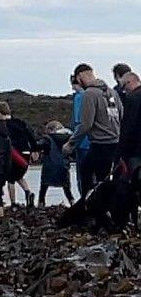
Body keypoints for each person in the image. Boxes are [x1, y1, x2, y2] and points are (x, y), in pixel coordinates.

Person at [63, 64, 123, 196]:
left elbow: (85, 124)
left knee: (89, 179)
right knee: (105, 179)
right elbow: (121, 115)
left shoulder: (89, 94)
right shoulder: (112, 92)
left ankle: (91, 209)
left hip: (100, 144)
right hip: (115, 143)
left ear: (79, 77)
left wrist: (71, 143)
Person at [0, 101, 38, 207]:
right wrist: (35, 150)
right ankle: (28, 192)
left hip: (14, 154)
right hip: (26, 153)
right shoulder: (20, 123)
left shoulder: (2, 126)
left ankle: (13, 202)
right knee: (19, 175)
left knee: (10, 179)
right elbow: (31, 135)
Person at [36, 120, 76, 206]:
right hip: (63, 167)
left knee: (43, 187)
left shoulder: (47, 139)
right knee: (67, 188)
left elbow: (39, 145)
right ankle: (72, 202)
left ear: (50, 130)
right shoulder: (68, 138)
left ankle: (41, 203)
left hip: (49, 167)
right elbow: (73, 154)